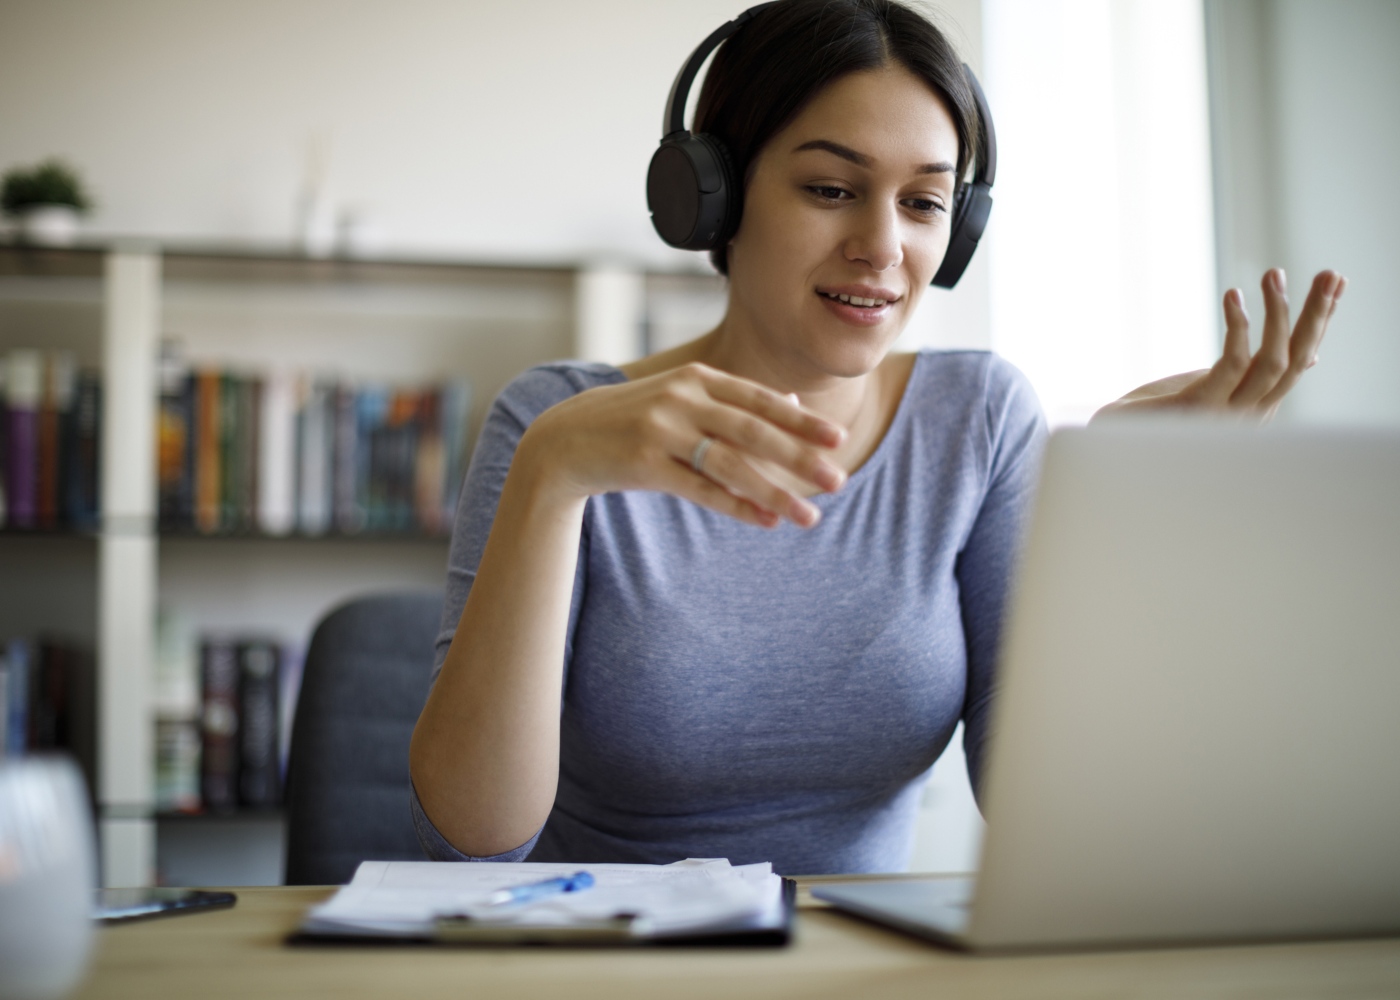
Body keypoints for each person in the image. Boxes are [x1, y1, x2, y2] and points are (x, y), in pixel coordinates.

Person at [409, 0, 1346, 875]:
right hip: (605, 954)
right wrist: (553, 475)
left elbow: (1050, 813)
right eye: (831, 188)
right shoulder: (557, 425)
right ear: (712, 197)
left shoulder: (978, 420)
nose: (884, 247)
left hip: (866, 962)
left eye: (925, 203)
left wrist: (1113, 524)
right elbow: (477, 832)